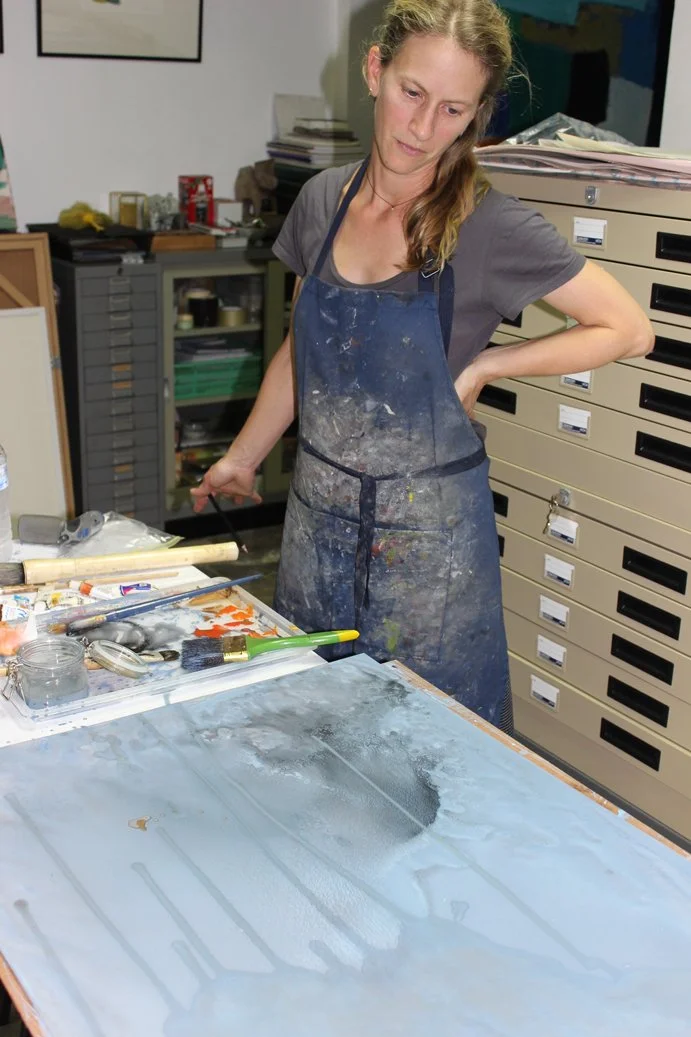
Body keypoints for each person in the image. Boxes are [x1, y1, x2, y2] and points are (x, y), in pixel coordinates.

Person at [192, 0, 653, 731]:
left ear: (474, 116)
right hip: (318, 525)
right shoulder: (320, 202)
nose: (420, 128)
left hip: (428, 555)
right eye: (412, 93)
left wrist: (485, 368)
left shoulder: (487, 226)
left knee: (429, 751)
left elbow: (627, 328)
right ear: (376, 70)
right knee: (314, 731)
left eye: (451, 110)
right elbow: (302, 349)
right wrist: (242, 458)